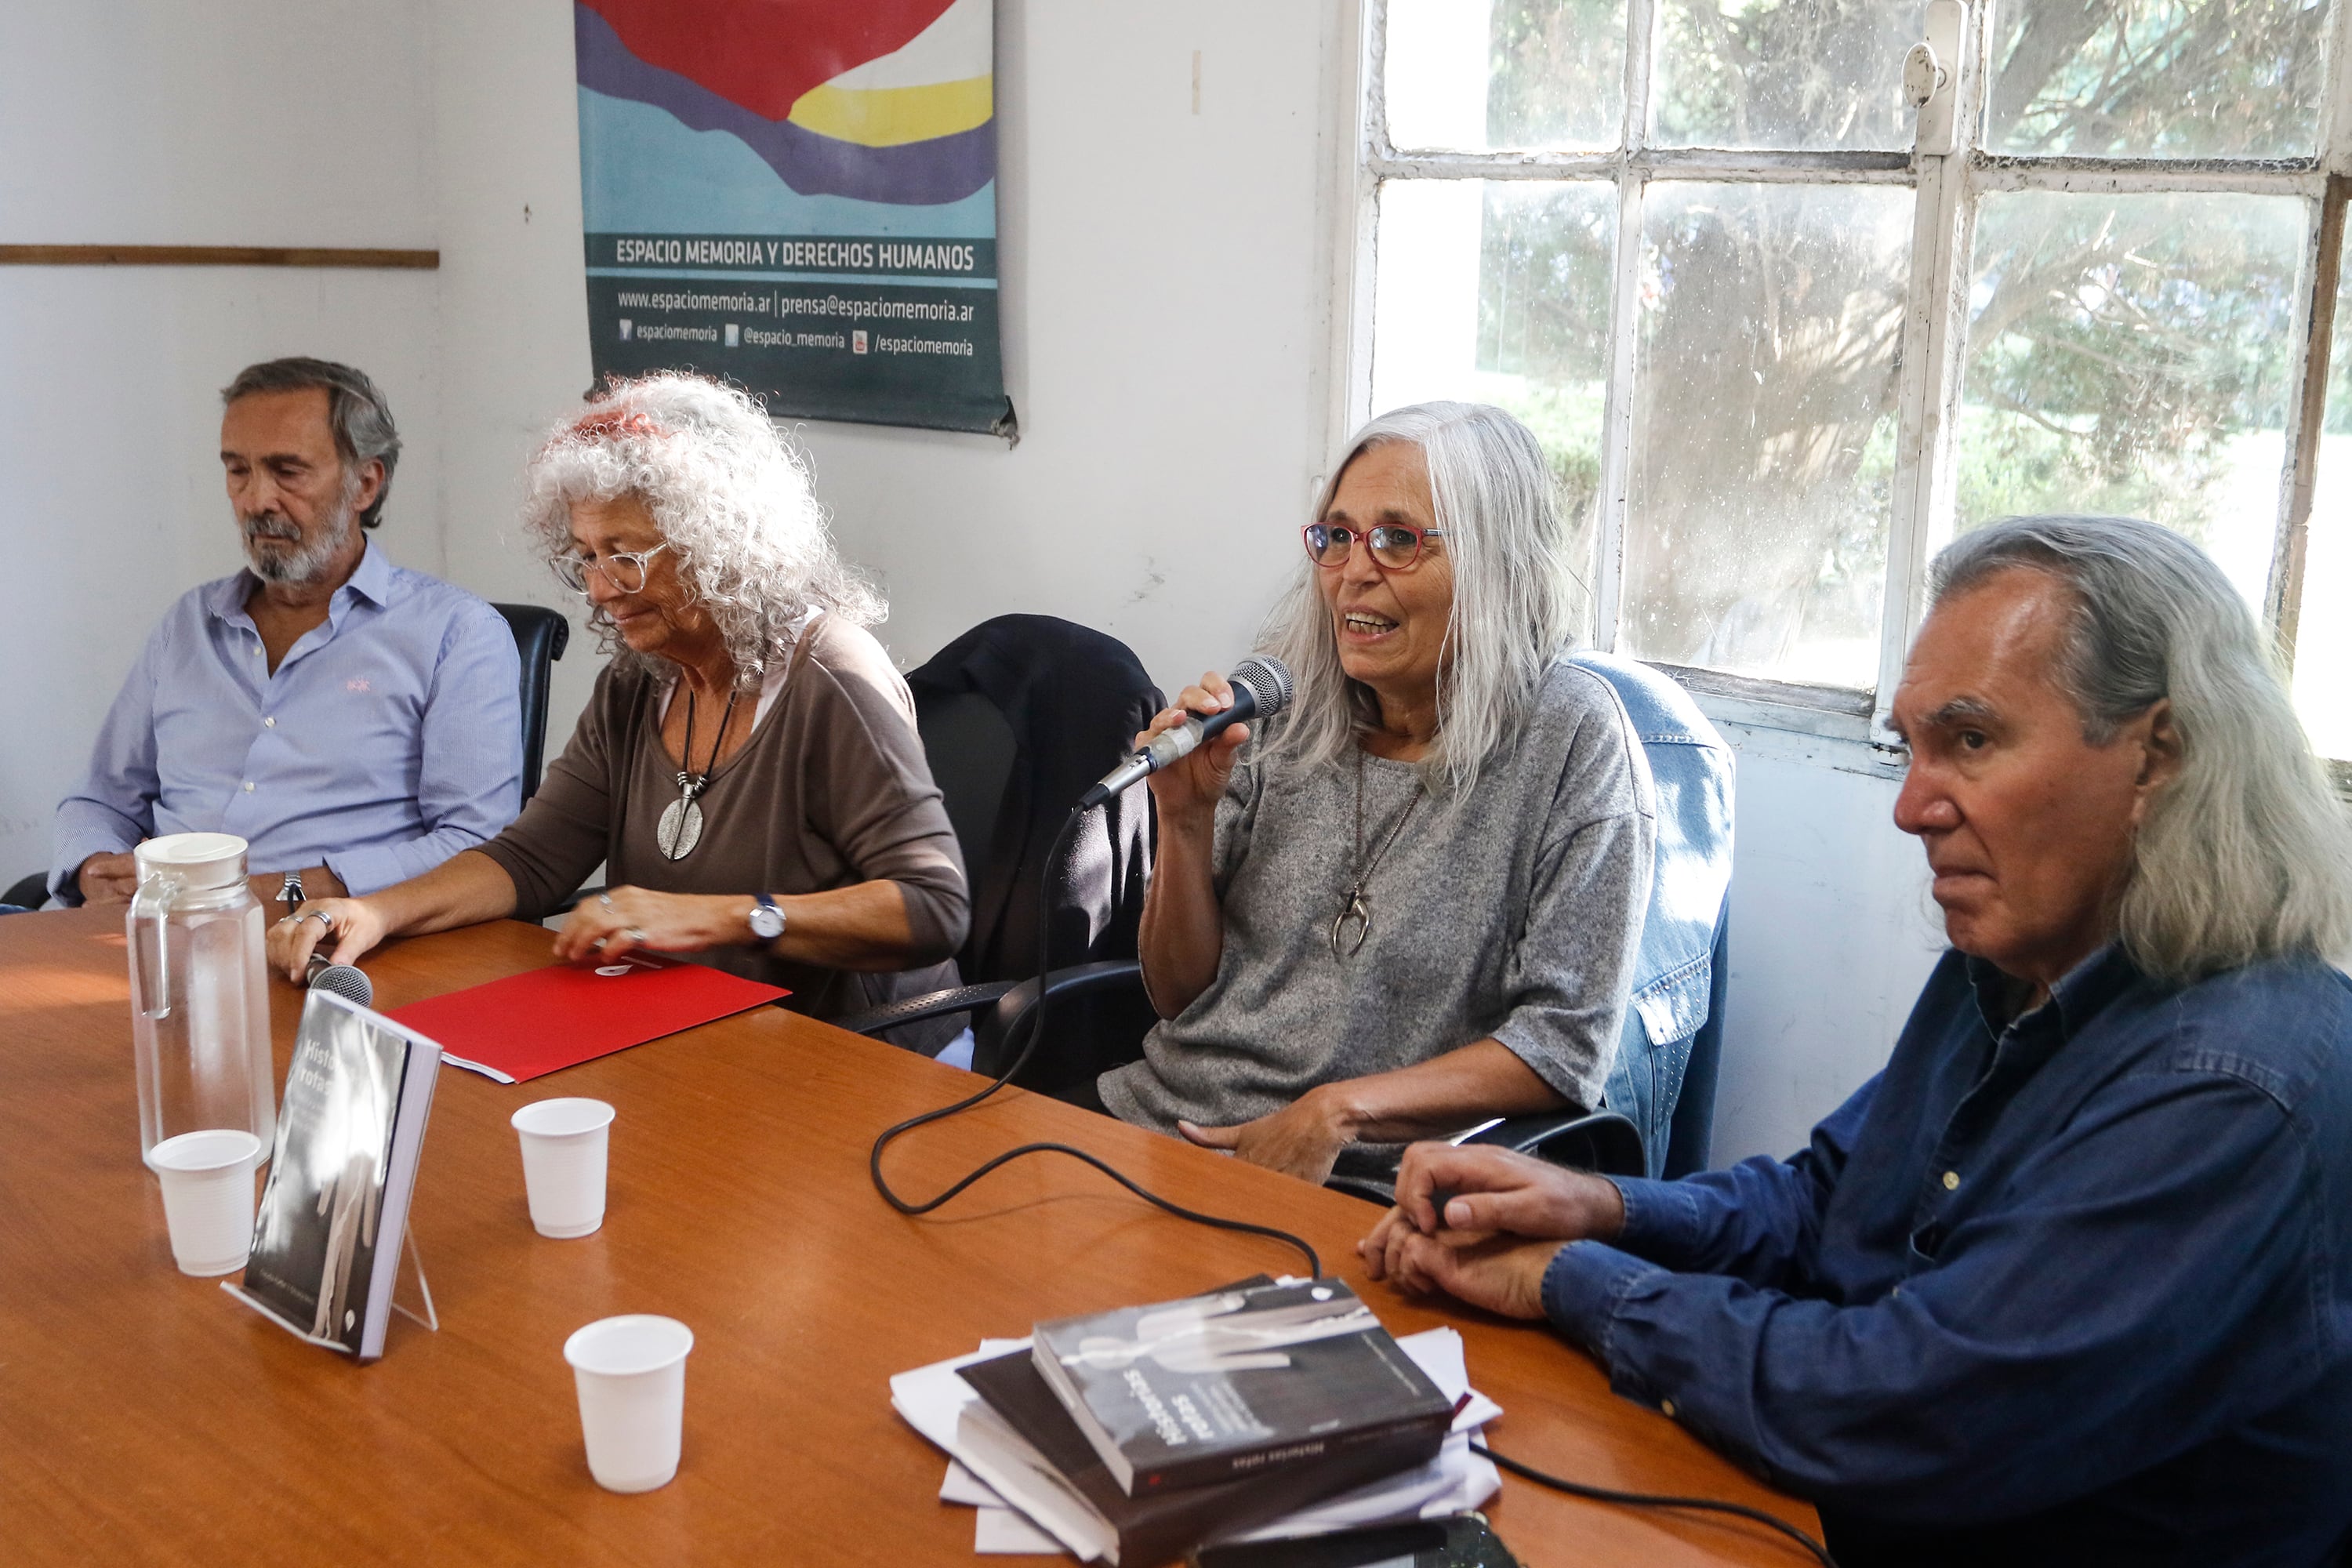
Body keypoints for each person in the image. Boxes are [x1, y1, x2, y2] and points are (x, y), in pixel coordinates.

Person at [1361, 515, 2352, 1563]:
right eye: (1909, 746)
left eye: (1971, 741)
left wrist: (1569, 1278)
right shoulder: (2016, 960)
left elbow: (1910, 1409)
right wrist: (1604, 1206)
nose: (1914, 807)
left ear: (2161, 757)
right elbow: (1831, 1202)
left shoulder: (2239, 1083)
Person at [270, 373, 970, 1047]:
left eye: (626, 555)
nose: (601, 589)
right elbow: (529, 861)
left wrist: (717, 919)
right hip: (707, 1033)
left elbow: (933, 907)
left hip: (861, 1055)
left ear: (719, 541)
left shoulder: (831, 677)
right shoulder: (641, 681)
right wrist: (374, 912)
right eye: (587, 557)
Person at [1082, 402, 1657, 1186]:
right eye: (1337, 536)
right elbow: (1178, 996)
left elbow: (1563, 1049)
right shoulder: (1281, 702)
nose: (1353, 570)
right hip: (1161, 1120)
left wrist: (1338, 1110)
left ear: (1498, 565)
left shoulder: (1573, 740)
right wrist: (1184, 822)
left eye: (1397, 538)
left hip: (1358, 1180)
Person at [49, 358, 521, 908]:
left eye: (287, 471)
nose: (256, 500)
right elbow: (100, 800)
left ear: (365, 484)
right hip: (151, 933)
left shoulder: (455, 635)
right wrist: (93, 866)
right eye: (238, 470)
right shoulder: (187, 626)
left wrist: (286, 889)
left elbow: (476, 848)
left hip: (340, 947)